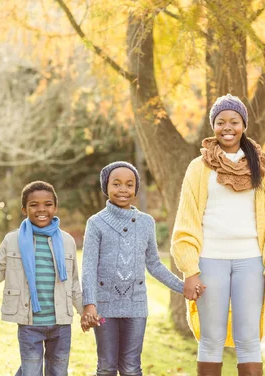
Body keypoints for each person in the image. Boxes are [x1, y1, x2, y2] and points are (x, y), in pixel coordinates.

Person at [170, 94, 265, 376]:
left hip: (251, 260)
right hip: (209, 260)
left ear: (243, 125)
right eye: (221, 122)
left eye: (234, 121)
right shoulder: (199, 168)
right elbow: (186, 221)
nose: (228, 127)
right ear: (213, 126)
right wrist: (190, 270)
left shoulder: (262, 167)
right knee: (210, 338)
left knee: (248, 339)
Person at [0, 181, 83, 376]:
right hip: (30, 323)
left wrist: (85, 311)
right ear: (24, 209)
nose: (41, 209)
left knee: (58, 371)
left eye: (48, 204)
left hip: (61, 323)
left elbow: (73, 282)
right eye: (34, 205)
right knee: (31, 370)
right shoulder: (12, 240)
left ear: (55, 207)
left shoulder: (67, 241)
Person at [81, 161, 188, 376]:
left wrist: (182, 287)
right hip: (104, 307)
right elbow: (89, 266)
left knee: (131, 368)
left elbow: (154, 264)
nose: (123, 190)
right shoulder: (96, 223)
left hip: (136, 306)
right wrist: (89, 304)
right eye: (117, 184)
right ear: (106, 187)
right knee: (106, 367)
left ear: (136, 188)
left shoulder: (146, 222)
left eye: (129, 185)